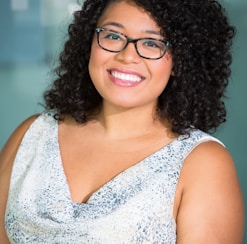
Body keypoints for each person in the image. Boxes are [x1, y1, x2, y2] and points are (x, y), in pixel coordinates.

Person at [0, 0, 244, 242]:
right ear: (90, 43)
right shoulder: (32, 135)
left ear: (180, 61)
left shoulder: (203, 163)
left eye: (151, 43)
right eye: (113, 36)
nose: (127, 56)